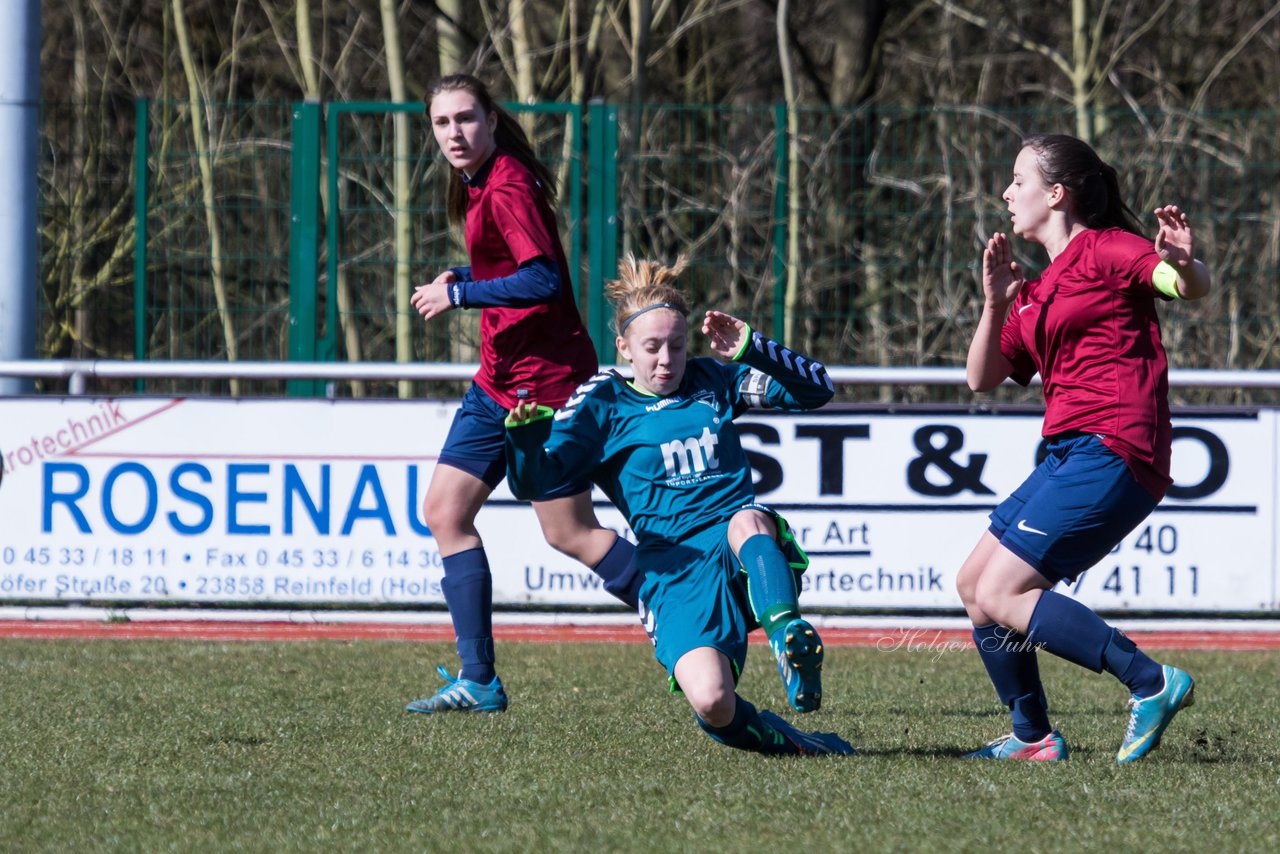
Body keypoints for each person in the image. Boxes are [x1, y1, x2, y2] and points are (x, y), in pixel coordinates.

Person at [504, 255, 855, 756]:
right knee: (713, 702)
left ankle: (786, 635)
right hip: (671, 572)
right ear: (623, 348)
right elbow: (535, 480)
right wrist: (524, 443)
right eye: (652, 348)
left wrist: (753, 348)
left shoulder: (713, 381)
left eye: (677, 345)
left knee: (747, 518)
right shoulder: (603, 402)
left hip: (738, 551)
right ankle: (799, 743)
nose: (667, 359)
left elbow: (816, 389)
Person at [957, 133, 1210, 763]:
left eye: (1018, 180)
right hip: (1068, 453)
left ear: (1057, 193)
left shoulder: (1104, 250)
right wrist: (994, 304)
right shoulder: (1038, 290)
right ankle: (1033, 737)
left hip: (1118, 445)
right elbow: (981, 378)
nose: (1007, 192)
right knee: (973, 584)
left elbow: (1184, 285)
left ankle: (1150, 681)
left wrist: (1184, 263)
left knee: (1003, 593)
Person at [405, 74, 642, 715]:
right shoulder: (479, 182)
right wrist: (461, 275)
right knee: (445, 513)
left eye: (465, 119)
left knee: (568, 534)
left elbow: (541, 279)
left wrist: (458, 293)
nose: (454, 133)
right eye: (441, 123)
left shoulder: (507, 184)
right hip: (496, 381)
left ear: (490, 119)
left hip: (545, 387)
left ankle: (675, 602)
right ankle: (478, 679)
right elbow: (505, 271)